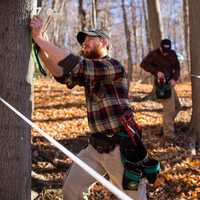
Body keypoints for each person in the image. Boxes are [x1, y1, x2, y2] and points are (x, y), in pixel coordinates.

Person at [30, 16, 149, 200]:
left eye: (88, 38)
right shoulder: (89, 72)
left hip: (121, 148)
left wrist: (41, 39)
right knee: (71, 190)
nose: (83, 43)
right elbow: (62, 75)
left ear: (103, 41)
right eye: (82, 40)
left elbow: (76, 64)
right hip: (95, 147)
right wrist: (41, 50)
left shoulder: (112, 66)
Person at [140, 39, 181, 141]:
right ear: (160, 47)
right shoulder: (154, 54)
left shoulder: (172, 54)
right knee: (169, 109)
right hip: (161, 84)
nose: (166, 53)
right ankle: (169, 136)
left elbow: (177, 67)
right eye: (164, 50)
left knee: (177, 107)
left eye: (167, 51)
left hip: (170, 83)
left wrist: (174, 79)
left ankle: (166, 127)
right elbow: (143, 64)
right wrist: (156, 72)